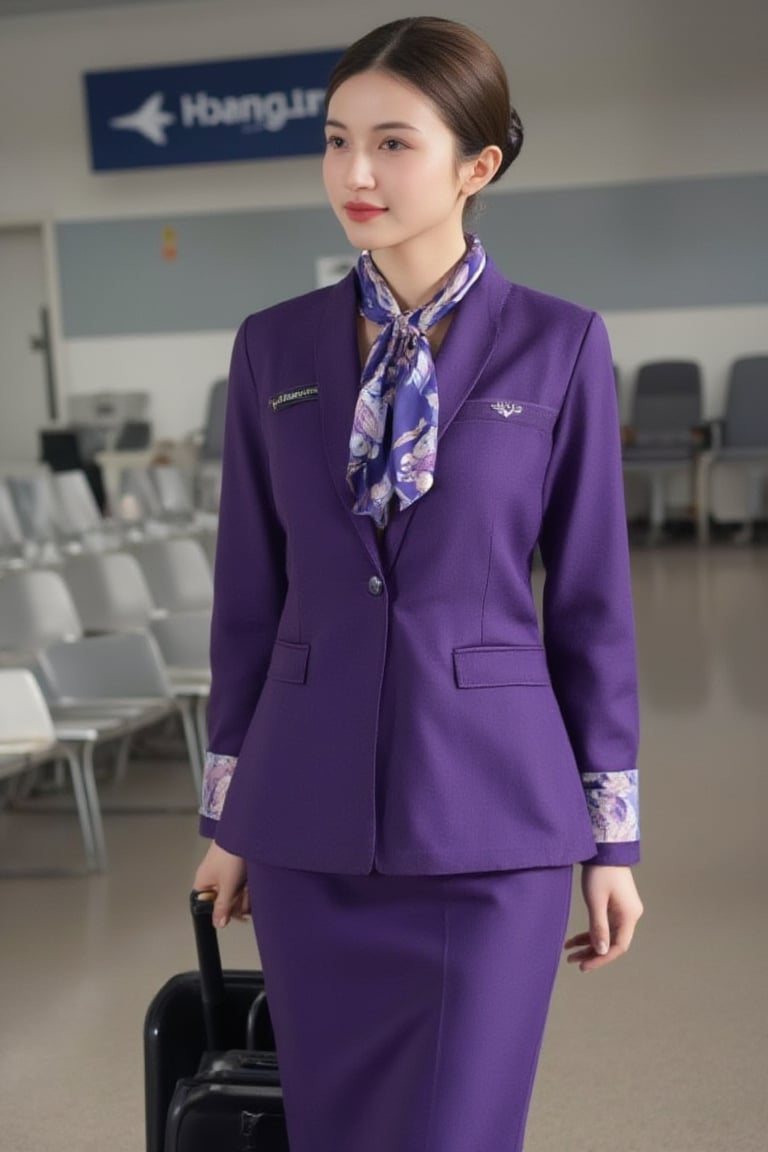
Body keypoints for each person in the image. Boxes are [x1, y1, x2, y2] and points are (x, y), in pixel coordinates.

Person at [194, 16, 643, 1152]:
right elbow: (250, 596)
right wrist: (226, 814)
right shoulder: (273, 348)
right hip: (304, 823)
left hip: (492, 824)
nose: (355, 172)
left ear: (476, 165)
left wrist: (615, 840)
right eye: (338, 139)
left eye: (394, 143)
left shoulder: (561, 344)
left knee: (457, 1131)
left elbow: (590, 604)